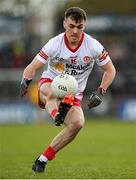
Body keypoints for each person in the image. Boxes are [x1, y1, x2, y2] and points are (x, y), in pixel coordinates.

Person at [20, 7, 116, 173]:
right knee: (51, 93)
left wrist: (101, 91)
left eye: (79, 27)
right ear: (65, 24)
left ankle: (42, 160)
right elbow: (32, 66)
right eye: (71, 26)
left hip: (73, 94)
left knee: (77, 124)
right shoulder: (54, 43)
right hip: (49, 83)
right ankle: (57, 115)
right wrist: (25, 81)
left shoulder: (93, 45)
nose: (75, 31)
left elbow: (110, 70)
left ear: (84, 27)